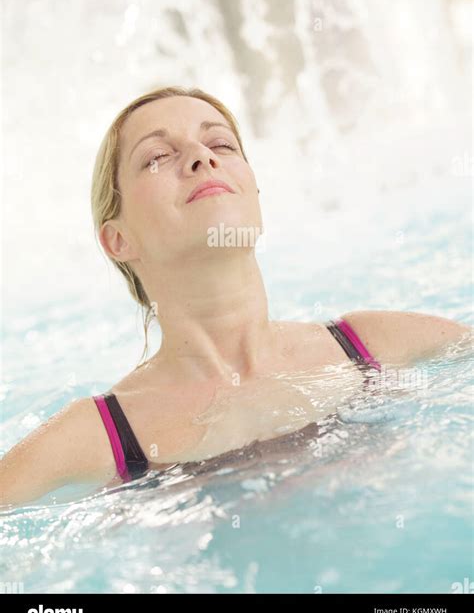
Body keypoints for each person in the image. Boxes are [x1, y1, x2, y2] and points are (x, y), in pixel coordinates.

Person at [0, 86, 471, 507]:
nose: (202, 158)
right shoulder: (97, 435)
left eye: (221, 143)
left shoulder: (376, 345)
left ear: (253, 192)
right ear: (118, 240)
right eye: (158, 156)